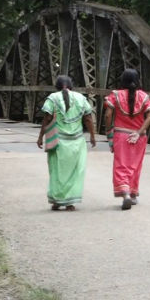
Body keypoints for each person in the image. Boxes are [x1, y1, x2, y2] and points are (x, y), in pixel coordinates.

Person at [37, 76, 96, 211]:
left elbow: (47, 119)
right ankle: (70, 202)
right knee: (75, 172)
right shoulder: (81, 98)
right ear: (71, 86)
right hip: (77, 142)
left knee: (57, 171)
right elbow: (87, 118)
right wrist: (92, 136)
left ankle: (57, 201)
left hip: (58, 142)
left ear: (57, 86)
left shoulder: (52, 98)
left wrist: (41, 136)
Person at [104, 69, 150, 210]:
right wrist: (139, 132)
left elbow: (108, 115)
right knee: (135, 165)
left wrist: (109, 133)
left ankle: (125, 193)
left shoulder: (115, 95)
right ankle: (132, 194)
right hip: (139, 137)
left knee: (121, 164)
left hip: (121, 135)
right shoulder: (144, 96)